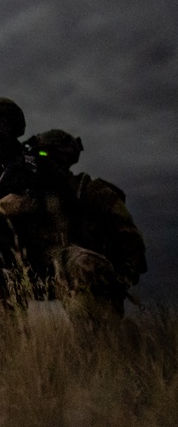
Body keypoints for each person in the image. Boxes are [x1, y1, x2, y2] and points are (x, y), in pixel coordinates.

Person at [0, 97, 123, 333]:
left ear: (0, 128)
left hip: (40, 260)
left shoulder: (39, 167)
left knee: (89, 265)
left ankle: (100, 350)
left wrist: (29, 203)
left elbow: (72, 211)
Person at [28, 129, 146, 318]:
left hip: (91, 274)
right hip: (50, 271)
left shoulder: (90, 190)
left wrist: (123, 277)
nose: (40, 160)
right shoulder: (33, 194)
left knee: (101, 338)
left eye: (44, 154)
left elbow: (129, 236)